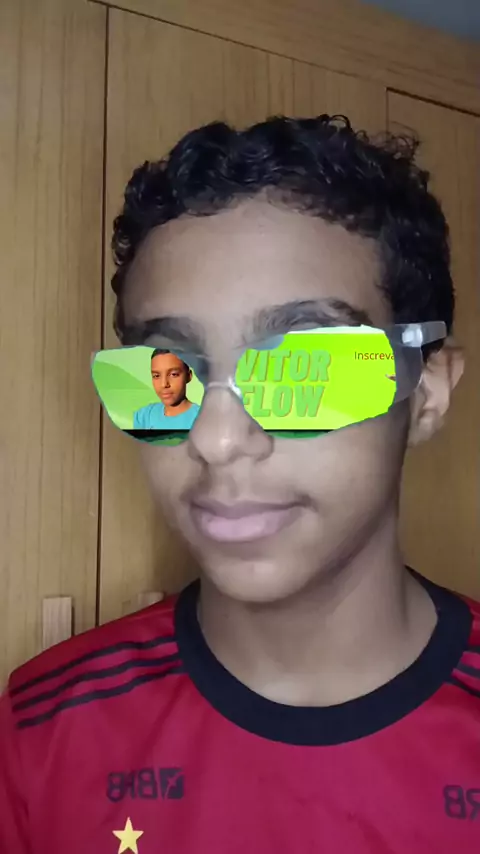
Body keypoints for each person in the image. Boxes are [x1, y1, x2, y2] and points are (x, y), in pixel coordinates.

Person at [0, 115, 477, 854]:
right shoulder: (42, 730)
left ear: (429, 393)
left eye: (305, 369)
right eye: (167, 376)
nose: (216, 438)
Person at [133, 348, 200, 429]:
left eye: (173, 374)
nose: (164, 384)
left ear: (188, 376)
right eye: (156, 376)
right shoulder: (144, 416)